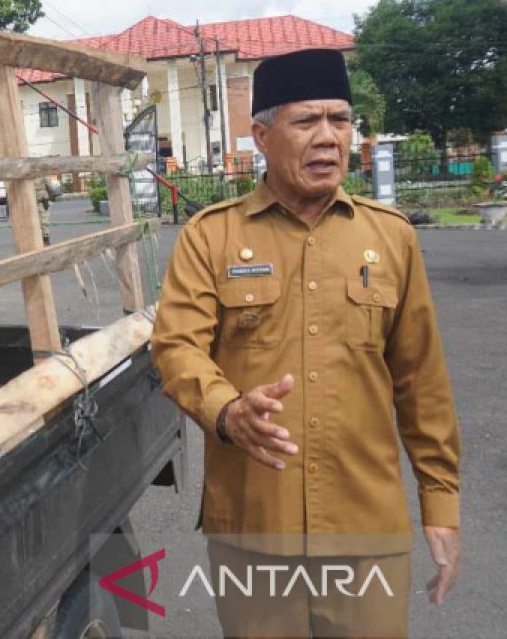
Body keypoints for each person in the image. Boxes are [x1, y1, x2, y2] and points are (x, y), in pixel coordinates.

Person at [150, 48, 460, 638]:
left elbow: (423, 383)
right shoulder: (211, 237)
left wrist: (440, 504)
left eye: (340, 121)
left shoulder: (390, 239)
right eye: (306, 122)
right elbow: (176, 346)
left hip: (365, 527)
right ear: (262, 136)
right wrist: (227, 411)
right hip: (253, 524)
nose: (328, 138)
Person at [34, 178, 52, 245]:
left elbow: (50, 186)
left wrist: (48, 199)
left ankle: (46, 239)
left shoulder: (42, 174)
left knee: (44, 221)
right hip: (31, 202)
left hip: (42, 201)